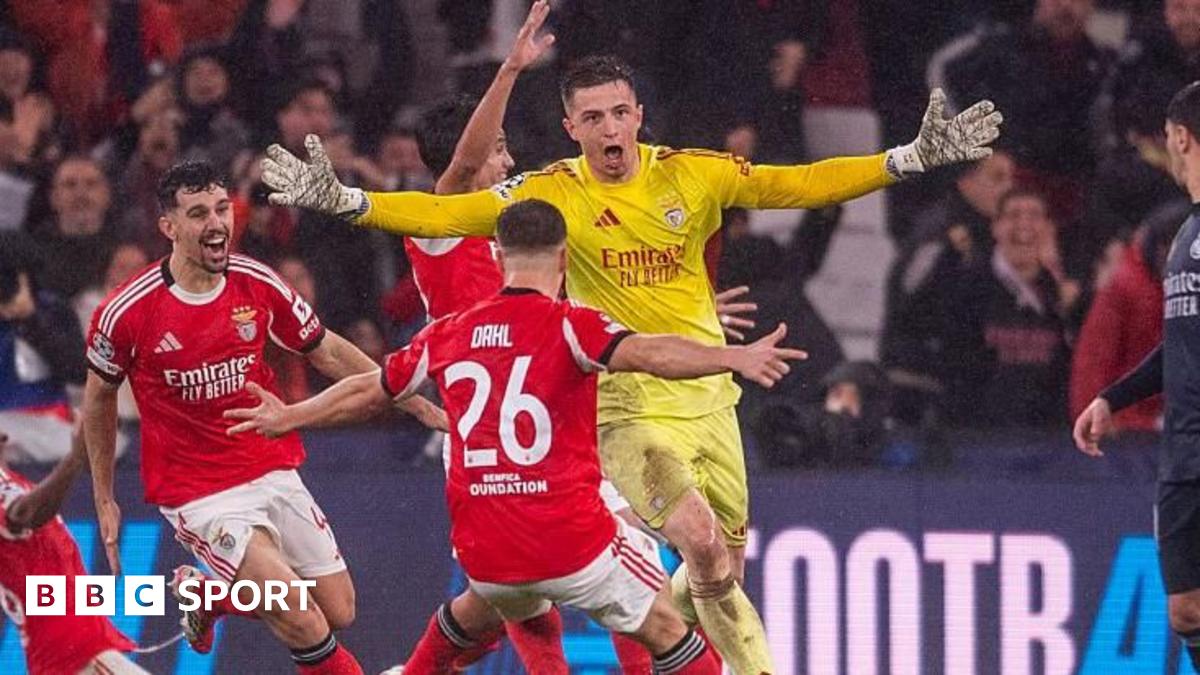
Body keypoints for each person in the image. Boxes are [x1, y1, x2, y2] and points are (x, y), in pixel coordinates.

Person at [262, 50, 1001, 673]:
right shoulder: (550, 194)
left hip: (702, 399)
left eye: (619, 113)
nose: (608, 128)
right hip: (613, 407)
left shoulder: (692, 175)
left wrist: (905, 160)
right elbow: (443, 209)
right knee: (668, 553)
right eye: (592, 118)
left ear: (639, 114)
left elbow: (798, 183)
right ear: (571, 127)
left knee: (709, 574)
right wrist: (351, 202)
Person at [225, 199, 807, 675]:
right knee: (668, 626)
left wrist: (290, 417)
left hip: (487, 550)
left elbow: (369, 389)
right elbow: (651, 353)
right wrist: (732, 355)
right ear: (563, 256)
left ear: (499, 255)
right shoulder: (573, 325)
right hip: (569, 541)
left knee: (485, 606)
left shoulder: (448, 331)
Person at [80, 160, 445, 674]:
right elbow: (98, 400)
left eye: (222, 209)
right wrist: (102, 496)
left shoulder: (254, 280)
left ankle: (210, 596)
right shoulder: (129, 311)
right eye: (198, 213)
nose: (216, 224)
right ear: (169, 227)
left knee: (339, 609)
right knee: (300, 617)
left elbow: (326, 350)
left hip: (270, 465)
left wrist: (404, 392)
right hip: (198, 491)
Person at [1074, 81, 1200, 670]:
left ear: (1178, 138)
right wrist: (1113, 396)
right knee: (1186, 611)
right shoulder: (1182, 235)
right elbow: (1178, 343)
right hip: (1183, 455)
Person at [0, 427, 144, 673]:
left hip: (66, 652)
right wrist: (77, 456)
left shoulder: (16, 483)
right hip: (72, 649)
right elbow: (24, 514)